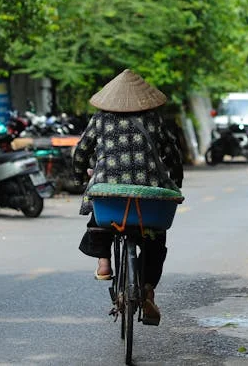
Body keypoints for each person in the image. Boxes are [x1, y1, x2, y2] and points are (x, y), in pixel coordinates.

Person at [72, 69, 183, 326]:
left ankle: (103, 263)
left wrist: (81, 178)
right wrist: (175, 181)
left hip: (110, 192)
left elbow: (81, 151)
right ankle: (146, 288)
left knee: (99, 215)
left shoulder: (100, 119)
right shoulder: (153, 118)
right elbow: (172, 152)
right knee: (156, 239)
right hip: (149, 199)